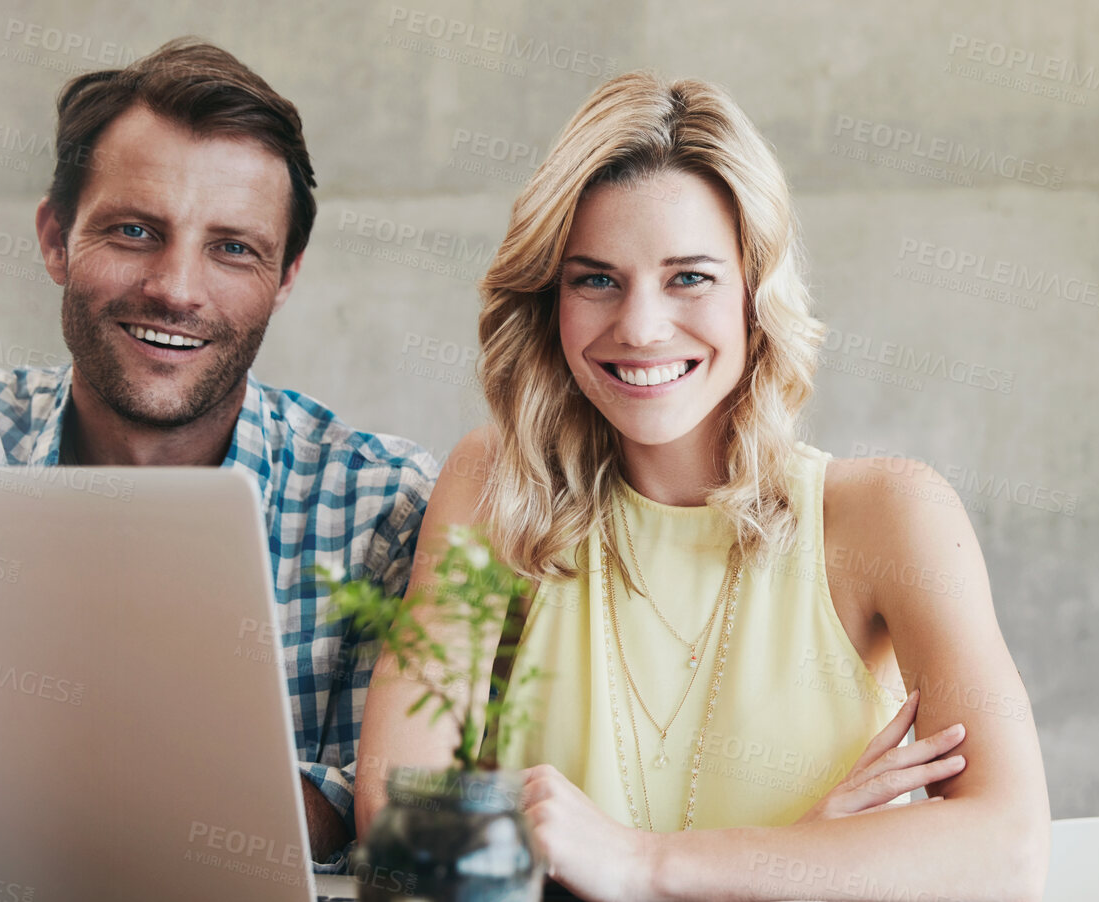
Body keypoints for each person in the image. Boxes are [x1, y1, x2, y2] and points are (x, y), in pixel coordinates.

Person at [354, 73, 1050, 900]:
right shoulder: (498, 487)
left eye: (690, 278)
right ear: (550, 301)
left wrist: (641, 866)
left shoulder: (890, 516)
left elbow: (1005, 850)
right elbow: (402, 826)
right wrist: (794, 861)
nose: (641, 327)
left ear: (756, 294)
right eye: (595, 279)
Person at [0, 38, 436, 871]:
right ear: (55, 239)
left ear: (286, 276)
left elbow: (379, 808)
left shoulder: (392, 507)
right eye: (133, 230)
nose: (176, 288)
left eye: (233, 248)